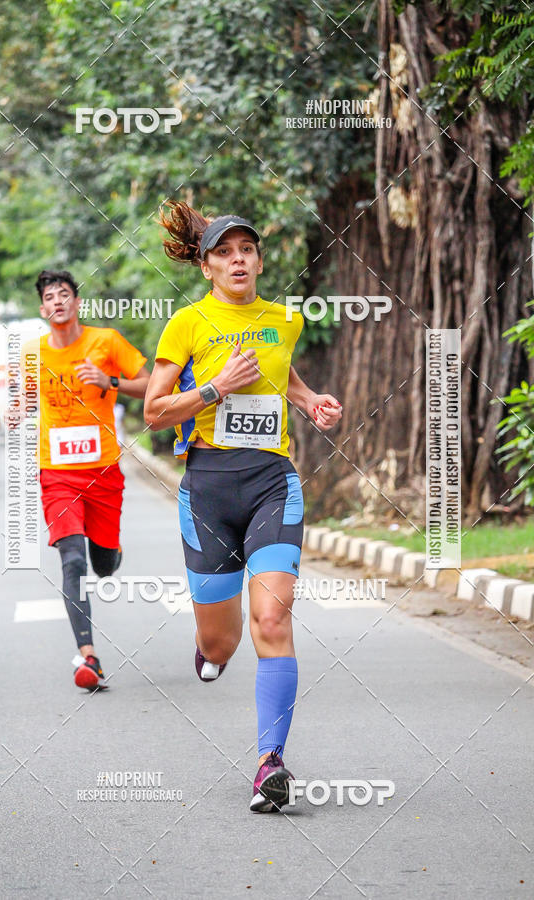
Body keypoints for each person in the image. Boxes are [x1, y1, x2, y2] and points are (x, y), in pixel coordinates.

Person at [144, 202, 342, 812]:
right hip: (206, 489)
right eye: (224, 252)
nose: (238, 260)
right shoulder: (186, 324)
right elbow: (154, 411)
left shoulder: (283, 320)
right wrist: (213, 388)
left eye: (246, 250)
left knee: (274, 622)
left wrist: (311, 403)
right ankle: (208, 648)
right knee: (225, 642)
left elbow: (279, 378)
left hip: (270, 484)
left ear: (258, 260)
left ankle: (269, 762)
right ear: (206, 266)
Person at [29, 270, 150, 691]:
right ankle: (89, 658)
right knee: (73, 560)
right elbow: (23, 402)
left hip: (103, 474)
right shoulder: (33, 354)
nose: (58, 301)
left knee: (101, 564)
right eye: (50, 296)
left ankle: (112, 553)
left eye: (65, 294)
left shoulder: (106, 341)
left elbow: (151, 384)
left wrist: (109, 381)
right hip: (57, 475)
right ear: (43, 309)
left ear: (77, 303)